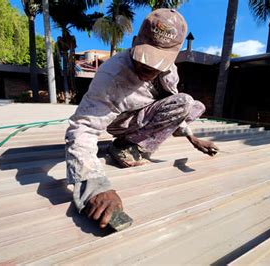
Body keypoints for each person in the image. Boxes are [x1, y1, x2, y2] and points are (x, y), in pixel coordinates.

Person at [65, 8, 219, 229]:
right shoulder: (112, 75)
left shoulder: (170, 71)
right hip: (121, 121)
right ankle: (125, 146)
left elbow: (171, 100)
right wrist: (95, 185)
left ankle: (131, 146)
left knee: (192, 105)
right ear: (136, 41)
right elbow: (83, 128)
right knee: (185, 103)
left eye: (159, 60)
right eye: (145, 56)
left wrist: (191, 137)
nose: (149, 66)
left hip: (144, 114)